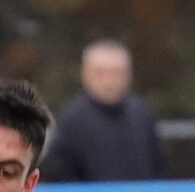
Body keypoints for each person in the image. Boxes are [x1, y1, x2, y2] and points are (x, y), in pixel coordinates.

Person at [41, 39, 165, 182]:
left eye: (117, 73)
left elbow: (159, 167)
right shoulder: (72, 119)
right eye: (100, 73)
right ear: (85, 74)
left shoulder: (141, 113)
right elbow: (58, 174)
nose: (109, 81)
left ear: (129, 75)